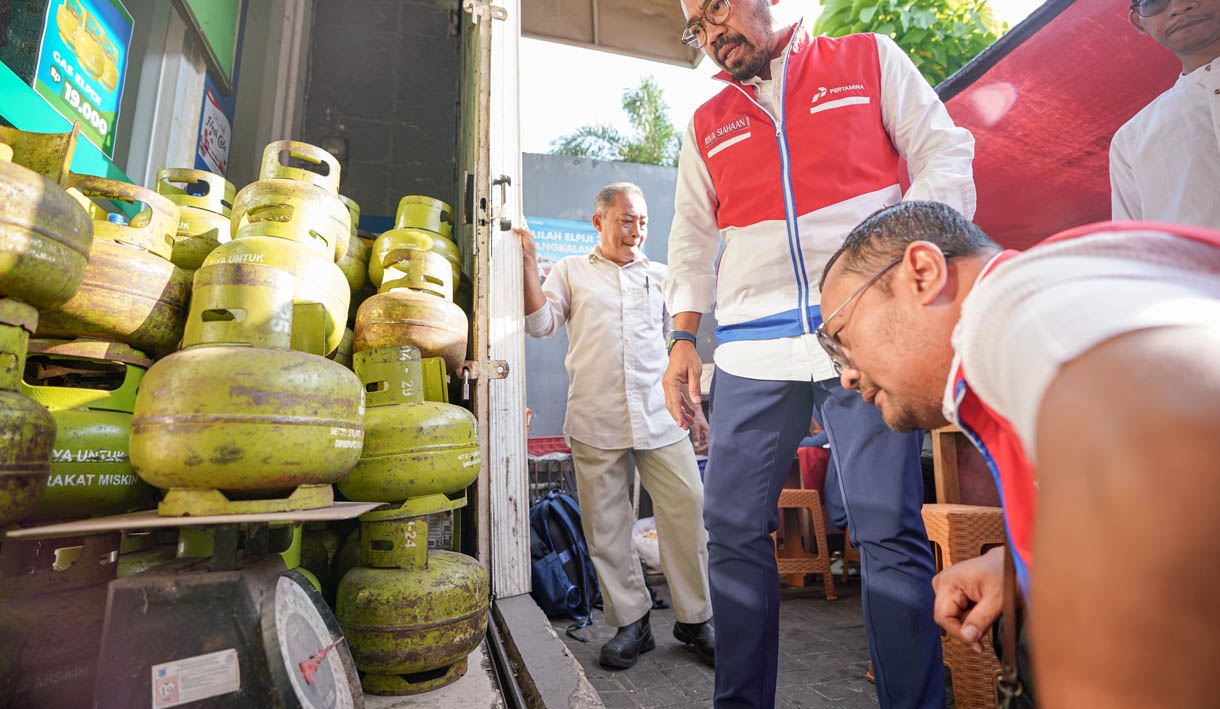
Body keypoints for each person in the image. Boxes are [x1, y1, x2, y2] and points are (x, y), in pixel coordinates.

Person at [663, 1, 975, 706]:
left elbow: (943, 152)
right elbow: (690, 240)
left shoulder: (867, 59)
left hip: (864, 331)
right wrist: (684, 336)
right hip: (751, 348)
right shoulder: (706, 124)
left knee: (885, 526)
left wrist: (901, 273)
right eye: (695, 24)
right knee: (732, 526)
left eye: (716, 7)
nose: (710, 31)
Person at [818, 200, 1220, 708]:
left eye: (843, 338)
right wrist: (1032, 559)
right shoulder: (1053, 297)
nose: (847, 375)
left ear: (922, 273)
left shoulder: (1022, 313)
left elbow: (1168, 439)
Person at [517, 182, 715, 671]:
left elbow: (683, 349)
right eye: (627, 220)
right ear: (599, 221)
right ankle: (633, 623)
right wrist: (527, 262)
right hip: (595, 413)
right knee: (607, 526)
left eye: (643, 221)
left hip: (661, 413)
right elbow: (540, 324)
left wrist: (698, 407)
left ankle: (695, 618)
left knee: (688, 506)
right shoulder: (570, 272)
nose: (636, 231)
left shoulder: (662, 277)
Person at [1110, 0, 1220, 226]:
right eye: (1153, 2)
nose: (1179, 7)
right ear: (1139, 21)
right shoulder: (1130, 139)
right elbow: (1138, 252)